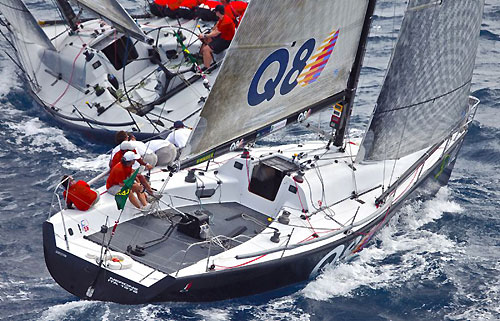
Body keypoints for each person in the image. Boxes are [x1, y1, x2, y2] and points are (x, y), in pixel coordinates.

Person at [198, 5, 235, 69]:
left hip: (226, 41)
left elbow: (216, 33)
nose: (215, 13)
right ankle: (206, 58)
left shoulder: (226, 21)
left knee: (206, 49)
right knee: (207, 39)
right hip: (223, 36)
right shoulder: (222, 18)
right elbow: (215, 29)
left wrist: (204, 35)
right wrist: (206, 36)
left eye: (215, 12)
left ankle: (207, 68)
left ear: (218, 12)